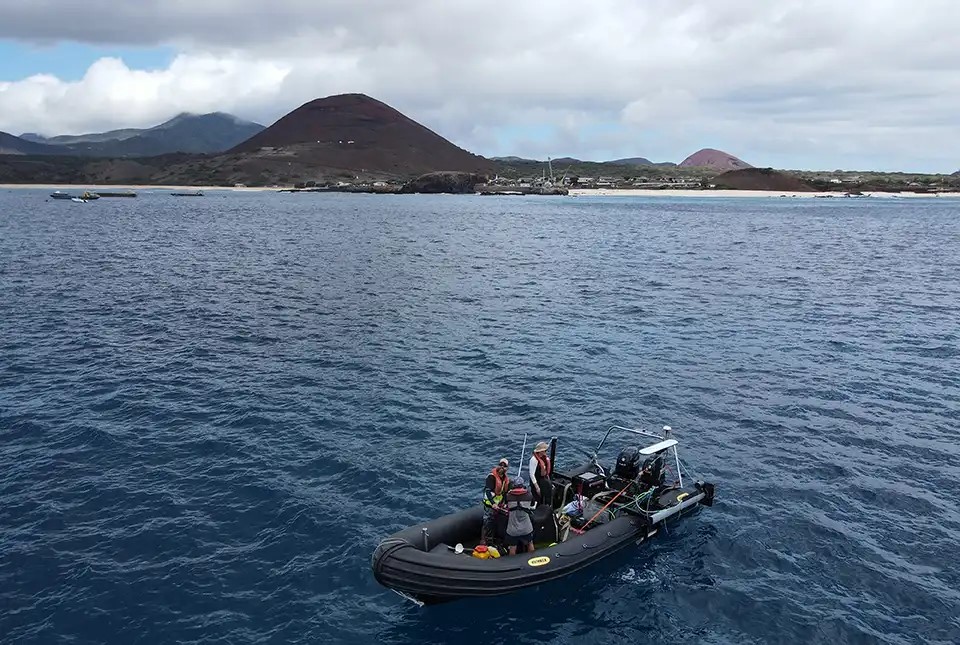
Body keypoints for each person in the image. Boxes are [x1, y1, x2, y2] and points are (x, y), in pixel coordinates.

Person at [481, 458, 510, 544]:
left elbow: (504, 492)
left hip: (499, 504)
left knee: (495, 522)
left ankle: (492, 539)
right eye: (501, 465)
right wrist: (493, 503)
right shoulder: (491, 477)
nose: (502, 467)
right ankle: (483, 540)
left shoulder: (505, 479)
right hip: (490, 504)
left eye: (504, 466)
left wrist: (504, 503)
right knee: (487, 522)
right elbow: (488, 491)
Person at [505, 477, 536, 555]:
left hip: (513, 529)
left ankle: (512, 564)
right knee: (530, 543)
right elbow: (532, 504)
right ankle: (532, 560)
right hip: (526, 528)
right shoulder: (529, 495)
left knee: (512, 547)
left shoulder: (508, 496)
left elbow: (506, 504)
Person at [528, 441, 553, 506]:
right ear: (540, 451)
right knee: (537, 498)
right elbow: (532, 474)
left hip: (542, 480)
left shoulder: (545, 458)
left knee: (545, 496)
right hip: (536, 481)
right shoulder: (533, 460)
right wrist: (537, 487)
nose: (546, 452)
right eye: (545, 450)